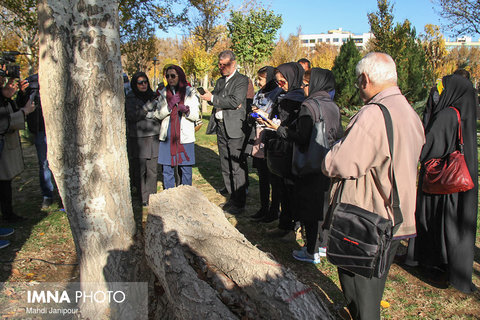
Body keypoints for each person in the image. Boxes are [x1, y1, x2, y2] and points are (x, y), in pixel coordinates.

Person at [322, 52, 425, 319]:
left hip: (365, 220)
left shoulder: (373, 114)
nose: (358, 87)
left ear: (365, 79)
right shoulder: (408, 111)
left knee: (362, 295)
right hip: (393, 216)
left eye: (358, 81)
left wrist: (330, 153)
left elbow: (342, 163)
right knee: (373, 287)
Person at [408, 74, 478, 294]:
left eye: (442, 88)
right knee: (455, 229)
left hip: (442, 185)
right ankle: (452, 269)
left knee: (438, 224)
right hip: (460, 186)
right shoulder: (465, 114)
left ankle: (433, 263)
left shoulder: (447, 115)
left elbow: (427, 148)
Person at [266, 67, 342, 263]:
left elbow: (301, 137)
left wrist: (280, 129)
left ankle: (310, 251)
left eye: (305, 85)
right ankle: (323, 244)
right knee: (324, 205)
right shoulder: (332, 105)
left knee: (309, 208)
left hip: (310, 162)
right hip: (328, 161)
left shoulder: (309, 106)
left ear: (315, 84)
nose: (303, 88)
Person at [201, 50, 249, 215]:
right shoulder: (221, 81)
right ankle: (232, 197)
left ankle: (239, 202)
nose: (221, 67)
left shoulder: (242, 80)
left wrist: (214, 99)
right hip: (221, 126)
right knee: (225, 164)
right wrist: (214, 97)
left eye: (225, 64)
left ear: (233, 64)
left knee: (236, 166)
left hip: (235, 127)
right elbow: (226, 100)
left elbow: (235, 100)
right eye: (219, 64)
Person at [261, 62, 305, 238]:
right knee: (282, 190)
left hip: (295, 152)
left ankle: (295, 228)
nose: (280, 86)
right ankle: (284, 224)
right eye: (278, 82)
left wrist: (278, 126)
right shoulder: (284, 96)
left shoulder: (300, 100)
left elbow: (299, 130)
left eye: (283, 82)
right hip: (282, 150)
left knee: (294, 192)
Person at [154, 65, 199, 189]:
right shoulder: (163, 93)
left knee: (186, 168)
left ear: (180, 76)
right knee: (167, 168)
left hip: (184, 134)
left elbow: (196, 116)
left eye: (173, 75)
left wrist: (186, 111)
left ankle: (186, 195)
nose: (170, 78)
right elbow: (157, 114)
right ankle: (170, 196)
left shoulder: (190, 92)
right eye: (167, 76)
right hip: (167, 134)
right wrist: (169, 106)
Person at [247, 66, 283, 223]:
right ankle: (263, 207)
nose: (258, 82)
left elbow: (277, 116)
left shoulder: (279, 95)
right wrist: (254, 113)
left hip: (271, 140)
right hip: (258, 138)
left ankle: (274, 210)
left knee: (273, 179)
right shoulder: (259, 94)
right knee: (262, 177)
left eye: (261, 79)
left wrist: (266, 117)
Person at [16, 74, 55, 208]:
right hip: (40, 130)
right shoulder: (31, 83)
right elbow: (20, 106)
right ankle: (47, 195)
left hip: (58, 129)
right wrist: (21, 92)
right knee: (44, 163)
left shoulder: (59, 76)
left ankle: (63, 195)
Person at [0, 74, 36, 222]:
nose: (3, 79)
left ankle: (8, 213)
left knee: (5, 182)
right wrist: (24, 112)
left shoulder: (3, 96)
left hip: (6, 146)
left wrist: (10, 96)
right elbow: (3, 123)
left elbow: (12, 110)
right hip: (3, 144)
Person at [125, 72, 160, 206]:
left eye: (145, 82)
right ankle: (142, 197)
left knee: (152, 169)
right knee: (141, 170)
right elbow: (132, 116)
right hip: (139, 138)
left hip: (153, 136)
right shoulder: (131, 97)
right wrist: (145, 109)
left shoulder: (152, 95)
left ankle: (152, 196)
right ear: (135, 84)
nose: (143, 84)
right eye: (140, 82)